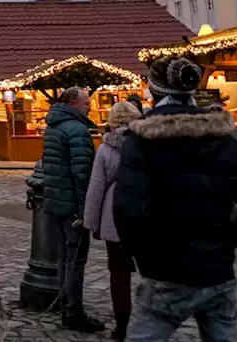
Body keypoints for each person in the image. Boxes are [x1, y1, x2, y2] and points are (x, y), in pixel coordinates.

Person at [116, 57, 237, 342]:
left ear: (154, 92)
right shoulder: (226, 138)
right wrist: (223, 241)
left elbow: (127, 209)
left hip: (165, 269)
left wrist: (147, 256)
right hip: (217, 270)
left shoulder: (142, 140)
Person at [41, 87, 102, 332]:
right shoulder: (76, 130)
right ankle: (73, 311)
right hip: (71, 206)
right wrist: (83, 209)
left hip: (56, 201)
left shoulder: (54, 127)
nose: (90, 106)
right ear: (74, 103)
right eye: (86, 103)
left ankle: (67, 305)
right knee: (75, 259)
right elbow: (81, 173)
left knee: (64, 257)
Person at [82, 100, 141, 340]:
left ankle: (122, 324)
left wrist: (91, 223)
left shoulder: (105, 149)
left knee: (118, 274)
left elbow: (96, 187)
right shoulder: (148, 146)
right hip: (143, 217)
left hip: (114, 217)